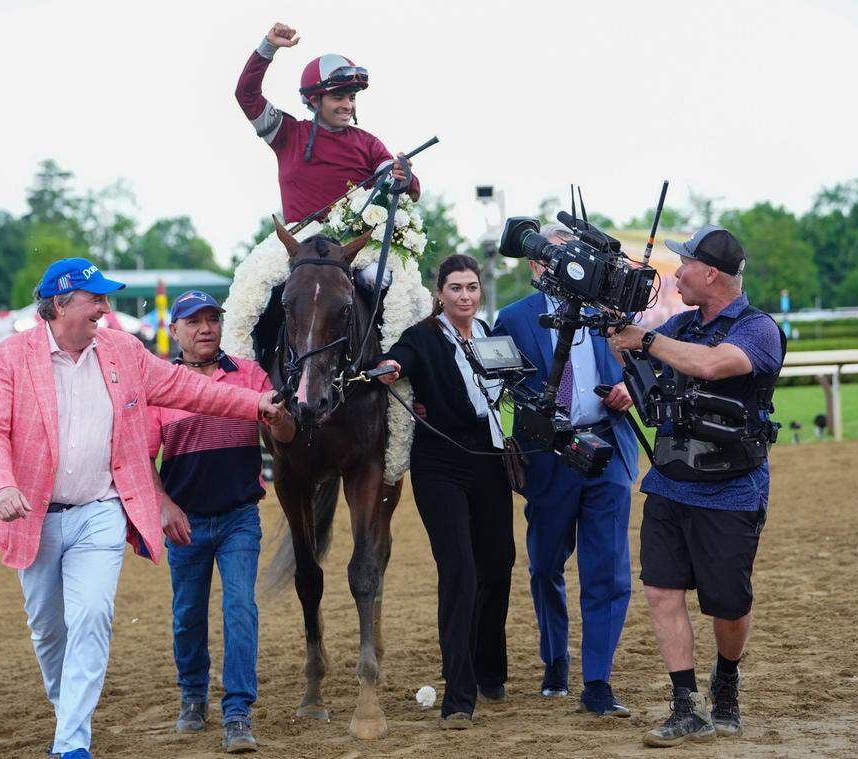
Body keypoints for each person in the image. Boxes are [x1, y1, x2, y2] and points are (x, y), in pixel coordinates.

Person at [0, 260, 283, 759]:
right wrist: (1, 486)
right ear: (61, 303)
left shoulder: (122, 351)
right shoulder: (9, 358)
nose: (105, 309)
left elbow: (188, 388)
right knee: (49, 631)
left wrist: (254, 404)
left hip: (101, 510)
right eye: (96, 299)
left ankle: (71, 743)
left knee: (92, 616)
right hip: (33, 516)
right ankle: (66, 708)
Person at [606, 226, 784, 747]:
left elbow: (710, 363)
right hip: (668, 482)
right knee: (661, 591)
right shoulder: (681, 324)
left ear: (710, 273)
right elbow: (652, 375)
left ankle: (725, 678)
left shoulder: (757, 329)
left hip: (731, 488)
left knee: (727, 605)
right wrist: (621, 343)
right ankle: (685, 704)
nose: (676, 273)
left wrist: (647, 340)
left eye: (683, 265)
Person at [492, 222, 640, 716]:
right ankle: (555, 661)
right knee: (546, 566)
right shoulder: (512, 319)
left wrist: (630, 390)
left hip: (608, 452)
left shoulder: (611, 313)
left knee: (608, 573)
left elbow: (646, 369)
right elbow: (498, 386)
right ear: (536, 264)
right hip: (549, 462)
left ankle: (597, 682)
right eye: (556, 255)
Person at [146, 291, 296, 754]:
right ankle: (193, 695)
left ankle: (237, 712)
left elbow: (285, 435)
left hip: (238, 519)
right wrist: (164, 505)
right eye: (193, 322)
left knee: (240, 610)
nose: (205, 329)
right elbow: (139, 457)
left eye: (212, 319)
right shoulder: (160, 383)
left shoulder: (248, 374)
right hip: (185, 523)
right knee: (187, 616)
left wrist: (279, 417)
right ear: (175, 331)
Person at [374, 254, 514, 729]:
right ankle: (458, 696)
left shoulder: (492, 336)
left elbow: (512, 383)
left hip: (490, 459)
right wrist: (391, 367)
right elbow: (400, 357)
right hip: (441, 464)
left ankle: (489, 670)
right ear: (440, 293)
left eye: (472, 287)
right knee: (460, 571)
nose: (465, 296)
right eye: (455, 288)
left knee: (498, 564)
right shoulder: (423, 336)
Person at [235, 21, 420, 226]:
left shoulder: (369, 143)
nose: (347, 105)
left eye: (352, 97)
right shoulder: (286, 134)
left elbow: (404, 188)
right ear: (314, 100)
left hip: (354, 248)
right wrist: (268, 46)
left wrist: (405, 175)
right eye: (338, 97)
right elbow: (246, 95)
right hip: (301, 248)